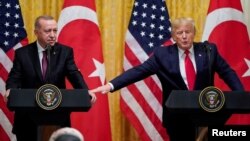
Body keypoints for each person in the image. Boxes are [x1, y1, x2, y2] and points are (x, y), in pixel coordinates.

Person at [90, 17, 244, 141]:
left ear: (194, 33)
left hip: (206, 115)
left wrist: (241, 95)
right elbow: (138, 71)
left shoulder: (208, 50)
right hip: (177, 119)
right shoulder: (162, 55)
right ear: (173, 36)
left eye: (188, 32)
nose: (184, 36)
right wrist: (110, 85)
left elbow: (227, 72)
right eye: (179, 32)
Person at [4, 15, 96, 141]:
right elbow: (15, 76)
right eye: (48, 31)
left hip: (57, 116)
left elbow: (74, 73)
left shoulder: (65, 52)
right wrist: (10, 89)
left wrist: (85, 91)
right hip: (27, 119)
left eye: (55, 30)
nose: (53, 35)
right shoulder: (22, 53)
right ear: (36, 32)